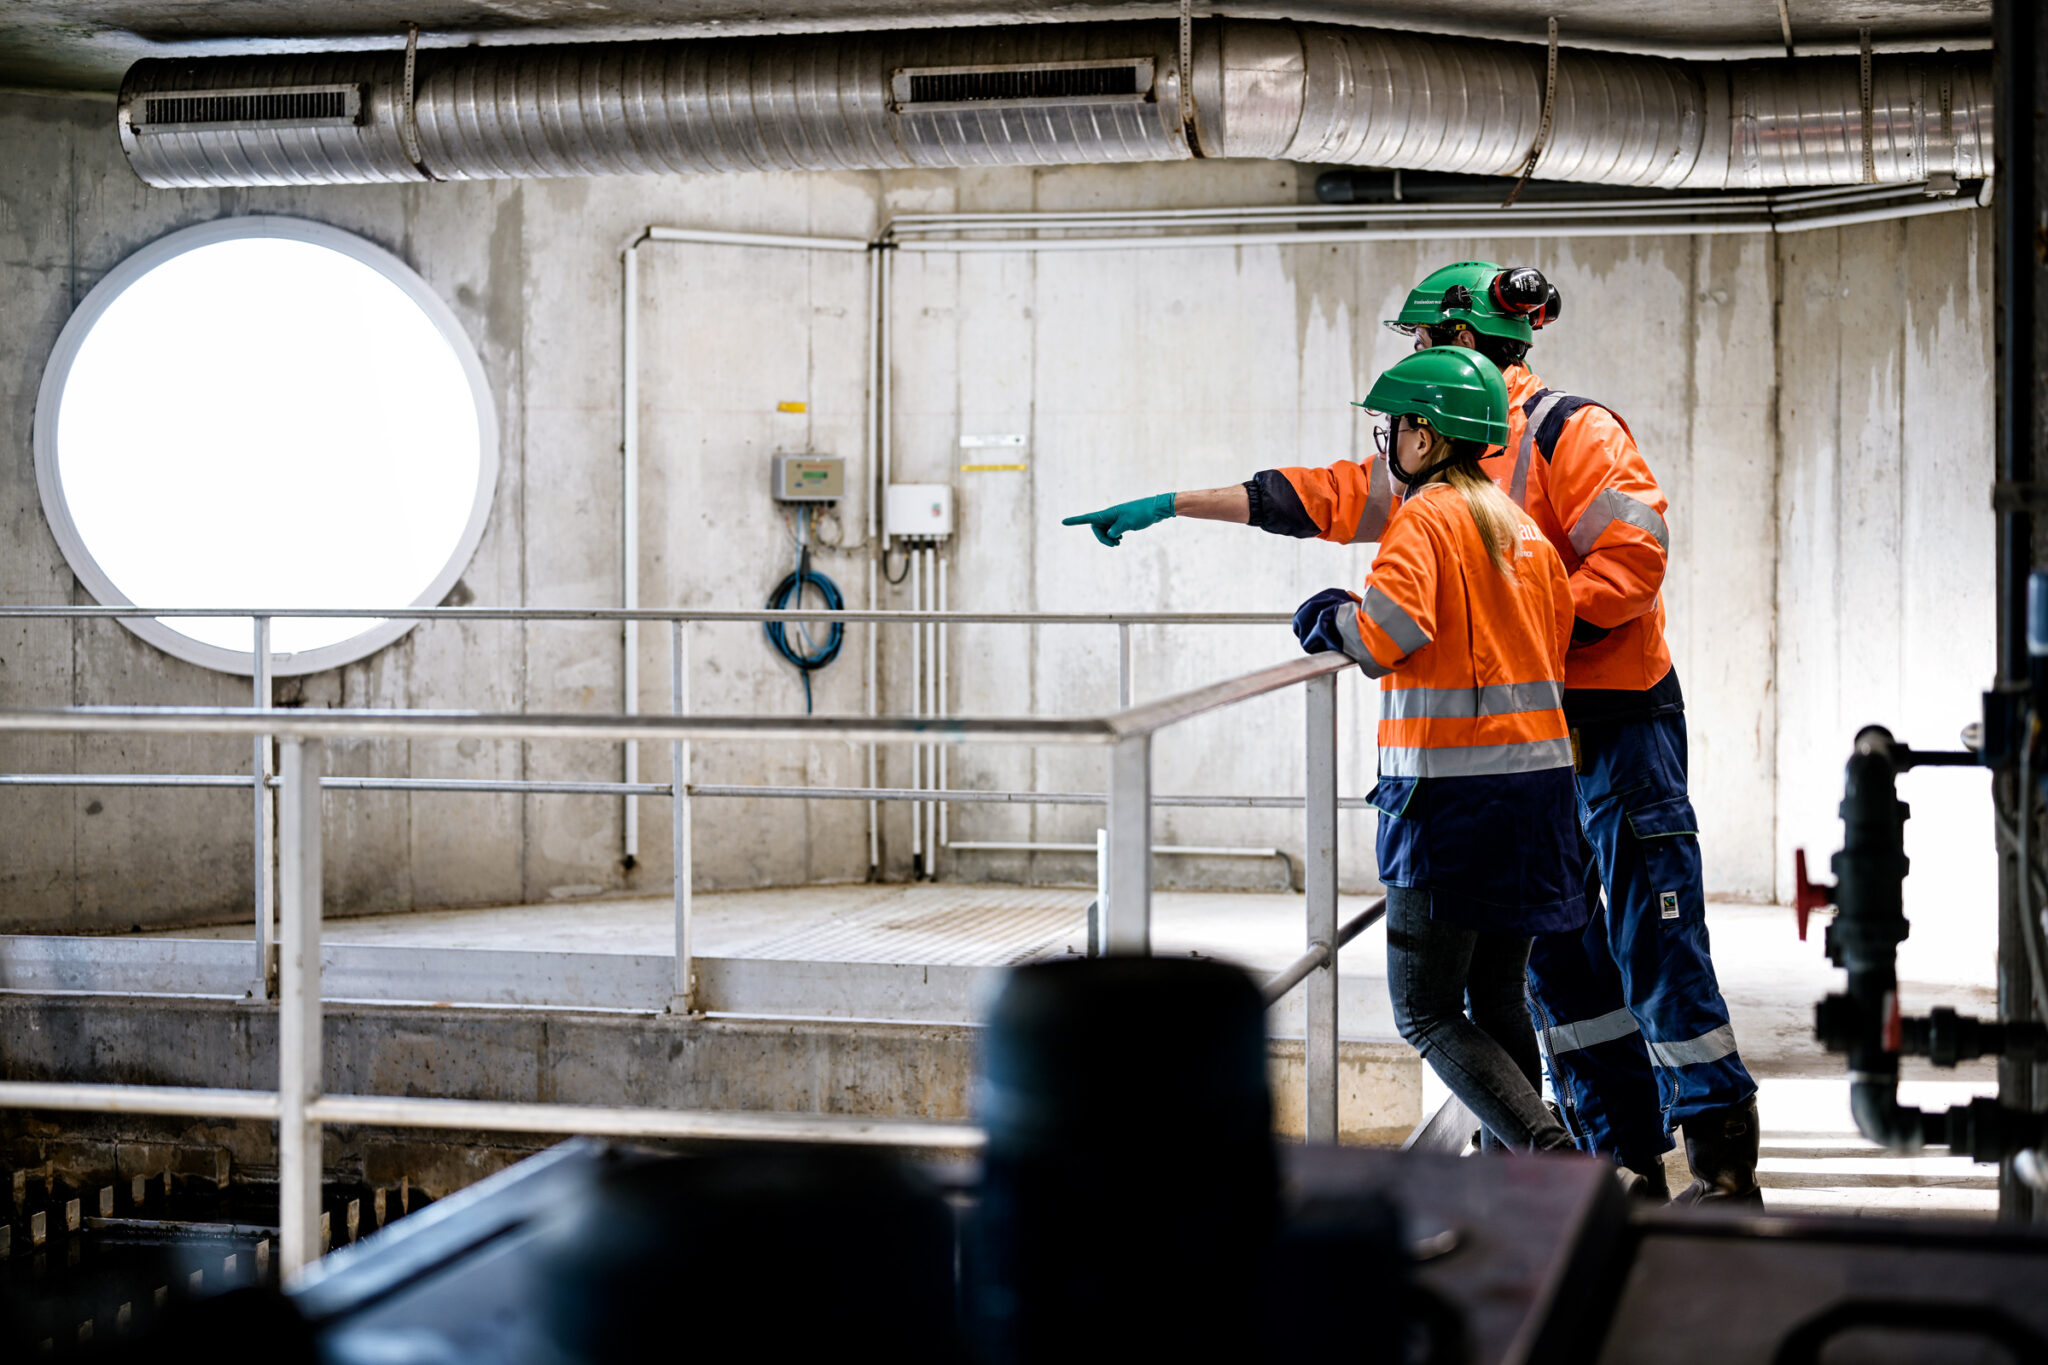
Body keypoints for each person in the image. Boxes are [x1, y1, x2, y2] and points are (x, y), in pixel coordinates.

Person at [1062, 261, 1760, 1205]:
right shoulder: (1448, 465)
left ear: (1459, 343)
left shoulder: (1566, 433)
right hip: (1535, 733)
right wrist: (1182, 501)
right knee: (1558, 960)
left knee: (1652, 931)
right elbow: (1326, 496)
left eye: (1422, 344)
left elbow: (1634, 560)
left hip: (1615, 718)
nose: (1413, 367)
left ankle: (1719, 1152)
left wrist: (1522, 639)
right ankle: (1615, 1158)